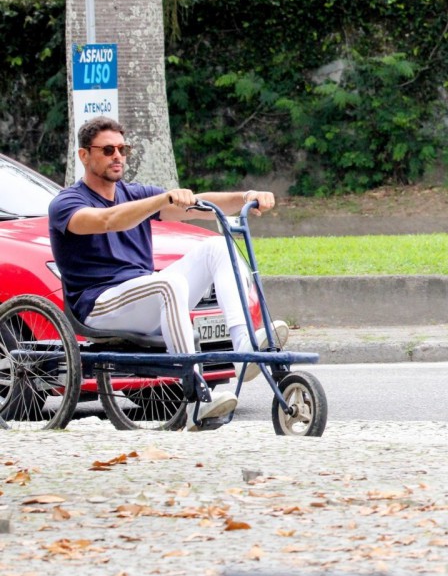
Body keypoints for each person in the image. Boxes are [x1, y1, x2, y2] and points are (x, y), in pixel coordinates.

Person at [48, 116, 288, 431]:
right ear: (84, 156)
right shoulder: (66, 203)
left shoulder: (135, 194)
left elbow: (198, 204)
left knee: (216, 247)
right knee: (167, 281)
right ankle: (195, 395)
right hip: (98, 305)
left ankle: (244, 348)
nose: (118, 156)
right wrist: (160, 199)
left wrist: (245, 197)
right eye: (107, 150)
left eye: (123, 148)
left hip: (143, 296)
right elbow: (108, 221)